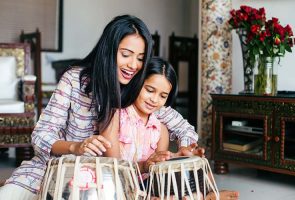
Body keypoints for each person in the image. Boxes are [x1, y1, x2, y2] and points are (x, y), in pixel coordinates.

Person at [0, 15, 199, 200]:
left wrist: (184, 149)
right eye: (126, 54)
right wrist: (75, 147)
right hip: (49, 170)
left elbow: (184, 128)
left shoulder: (140, 91)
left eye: (140, 58)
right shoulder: (75, 80)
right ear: (109, 49)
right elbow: (41, 135)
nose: (133, 65)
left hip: (103, 184)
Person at [102, 57, 239, 200]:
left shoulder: (159, 127)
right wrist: (144, 166)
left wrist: (181, 154)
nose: (154, 100)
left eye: (163, 96)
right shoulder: (114, 116)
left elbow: (159, 167)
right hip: (118, 185)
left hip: (148, 183)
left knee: (193, 162)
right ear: (136, 82)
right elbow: (115, 169)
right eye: (149, 90)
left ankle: (209, 193)